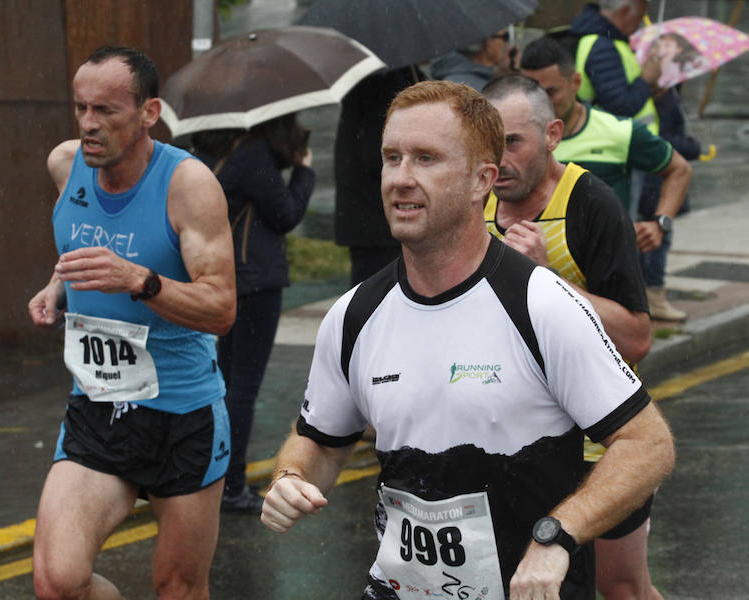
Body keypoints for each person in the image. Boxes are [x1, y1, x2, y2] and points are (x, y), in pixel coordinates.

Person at [260, 80, 675, 600]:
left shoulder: (540, 305)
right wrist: (290, 477)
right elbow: (320, 439)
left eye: (427, 159)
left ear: (483, 179)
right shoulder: (354, 315)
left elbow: (647, 444)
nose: (401, 179)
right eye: (393, 158)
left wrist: (556, 537)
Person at [27, 46, 236, 599]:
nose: (90, 124)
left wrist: (139, 281)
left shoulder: (188, 185)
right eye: (81, 109)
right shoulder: (64, 164)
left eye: (107, 111)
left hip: (182, 414)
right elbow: (80, 237)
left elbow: (221, 309)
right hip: (98, 404)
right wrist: (58, 284)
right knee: (57, 581)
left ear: (149, 112)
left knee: (178, 587)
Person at [481, 73, 664, 600]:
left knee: (620, 586)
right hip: (513, 438)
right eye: (489, 144)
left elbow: (636, 338)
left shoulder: (591, 204)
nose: (499, 159)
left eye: (513, 142)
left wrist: (546, 279)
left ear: (552, 134)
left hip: (597, 441)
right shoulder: (476, 202)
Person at [190, 115, 314, 514]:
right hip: (256, 281)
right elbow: (285, 214)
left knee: (225, 383)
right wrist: (304, 171)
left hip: (228, 278)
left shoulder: (214, 151)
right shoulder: (252, 153)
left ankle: (217, 480)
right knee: (242, 387)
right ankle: (231, 485)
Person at [520, 35, 692, 322]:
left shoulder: (618, 131)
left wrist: (661, 222)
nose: (541, 103)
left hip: (608, 282)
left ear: (575, 83)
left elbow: (679, 169)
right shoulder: (515, 141)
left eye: (551, 92)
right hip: (536, 282)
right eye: (531, 91)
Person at [335, 66, 422, 286]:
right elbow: (377, 155)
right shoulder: (384, 84)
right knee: (375, 300)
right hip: (375, 222)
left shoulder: (375, 78)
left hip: (370, 220)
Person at [638, 87, 703, 322]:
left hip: (656, 182)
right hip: (655, 182)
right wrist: (691, 146)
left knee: (656, 238)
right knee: (656, 241)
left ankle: (651, 294)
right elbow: (663, 140)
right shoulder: (656, 100)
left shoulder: (668, 96)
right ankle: (653, 296)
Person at [569, 0, 661, 135]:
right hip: (621, 143)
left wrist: (650, 89)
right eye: (639, 18)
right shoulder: (602, 47)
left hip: (629, 140)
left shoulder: (609, 39)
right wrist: (646, 79)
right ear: (624, 11)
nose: (638, 26)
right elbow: (620, 107)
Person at [430, 30, 518, 91]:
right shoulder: (463, 87)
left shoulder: (475, 79)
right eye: (505, 37)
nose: (507, 43)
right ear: (488, 43)